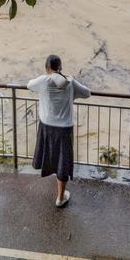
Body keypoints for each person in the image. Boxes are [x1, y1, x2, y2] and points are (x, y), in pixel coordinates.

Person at [27, 55, 90, 208]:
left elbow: (29, 85)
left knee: (50, 155)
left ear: (47, 68)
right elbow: (87, 93)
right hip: (64, 128)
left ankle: (56, 185)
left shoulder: (43, 80)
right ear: (60, 68)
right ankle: (60, 198)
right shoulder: (70, 82)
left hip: (46, 126)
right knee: (63, 161)